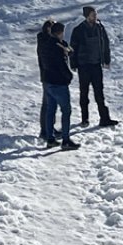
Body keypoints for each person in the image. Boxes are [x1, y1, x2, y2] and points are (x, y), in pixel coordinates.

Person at [69, 6, 118, 128]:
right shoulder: (78, 30)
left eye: (95, 14)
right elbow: (72, 48)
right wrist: (73, 63)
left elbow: (105, 44)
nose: (95, 17)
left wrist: (106, 59)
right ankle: (85, 119)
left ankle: (104, 118)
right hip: (84, 65)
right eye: (92, 15)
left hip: (96, 65)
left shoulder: (100, 28)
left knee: (99, 93)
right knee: (84, 93)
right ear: (87, 16)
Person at [38, 21, 80, 150]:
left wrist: (66, 49)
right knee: (66, 111)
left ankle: (50, 138)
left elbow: (64, 48)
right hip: (58, 83)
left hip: (47, 82)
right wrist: (69, 76)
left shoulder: (45, 43)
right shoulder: (57, 48)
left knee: (50, 110)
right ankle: (66, 140)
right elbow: (61, 65)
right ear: (60, 32)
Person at [36, 19, 54, 140]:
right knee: (47, 104)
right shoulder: (45, 42)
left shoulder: (45, 41)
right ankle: (44, 130)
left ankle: (49, 127)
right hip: (48, 76)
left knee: (51, 103)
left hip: (49, 76)